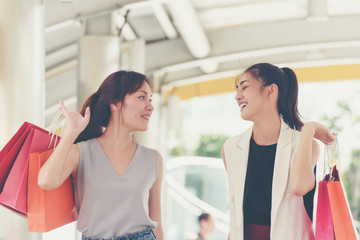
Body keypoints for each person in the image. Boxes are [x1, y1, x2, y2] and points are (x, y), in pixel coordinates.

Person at [38, 71, 164, 240]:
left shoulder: (154, 159)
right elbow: (46, 182)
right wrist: (72, 132)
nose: (150, 106)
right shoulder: (81, 153)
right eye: (142, 97)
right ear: (116, 103)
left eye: (150, 99)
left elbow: (157, 223)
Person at [221, 63, 336, 240]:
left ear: (270, 91)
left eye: (244, 87)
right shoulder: (231, 148)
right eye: (237, 90)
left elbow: (299, 187)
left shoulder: (305, 144)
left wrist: (308, 130)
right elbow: (237, 217)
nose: (237, 96)